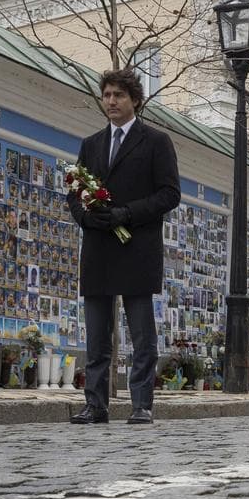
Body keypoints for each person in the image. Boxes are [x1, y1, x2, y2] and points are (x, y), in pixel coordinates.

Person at [67, 68, 180, 425]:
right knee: (98, 335)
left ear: (135, 100)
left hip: (137, 248)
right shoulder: (91, 144)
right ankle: (95, 404)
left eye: (118, 95)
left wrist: (126, 214)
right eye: (107, 96)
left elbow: (169, 194)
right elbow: (75, 192)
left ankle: (141, 404)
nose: (111, 102)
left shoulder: (156, 141)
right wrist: (88, 218)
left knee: (142, 334)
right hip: (99, 248)